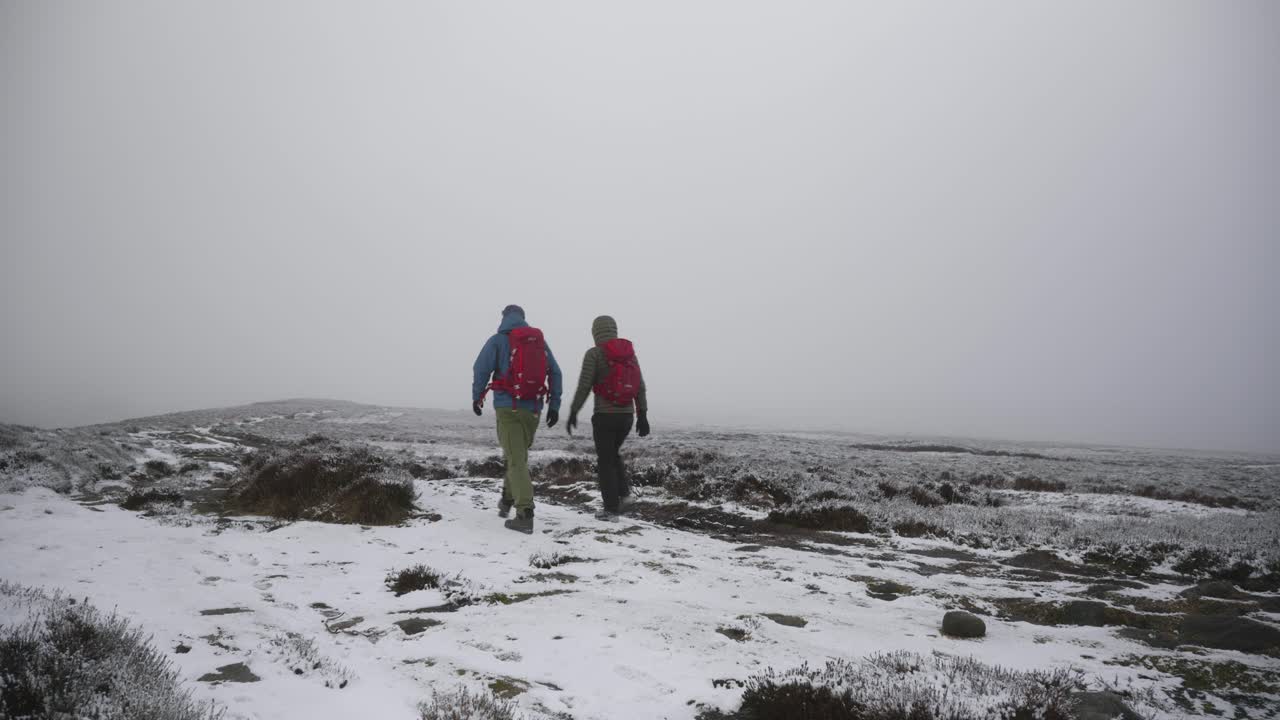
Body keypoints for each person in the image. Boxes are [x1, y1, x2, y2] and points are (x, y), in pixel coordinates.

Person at [472, 304, 563, 534]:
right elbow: (555, 372)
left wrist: (477, 397)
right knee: (517, 456)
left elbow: (481, 368)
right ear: (523, 318)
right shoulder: (538, 342)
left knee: (516, 460)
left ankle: (524, 514)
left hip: (508, 408)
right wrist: (554, 405)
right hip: (533, 410)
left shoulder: (498, 340)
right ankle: (506, 500)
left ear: (504, 317)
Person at [566, 315, 649, 519]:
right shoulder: (629, 355)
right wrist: (643, 415)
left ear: (595, 332)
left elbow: (585, 385)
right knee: (612, 454)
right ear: (614, 330)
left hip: (605, 416)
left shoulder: (594, 354)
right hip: (627, 417)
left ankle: (611, 509)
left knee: (605, 461)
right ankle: (625, 495)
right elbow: (640, 386)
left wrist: (574, 411)